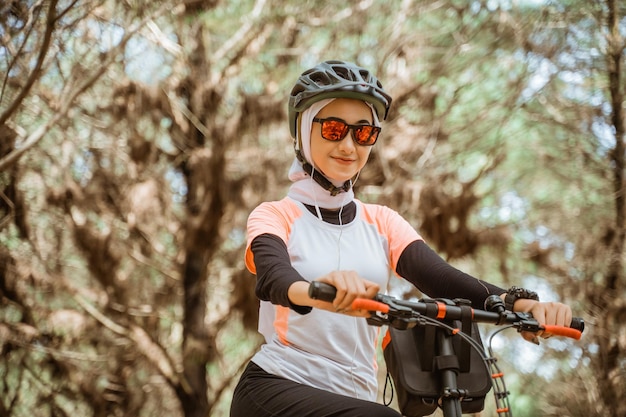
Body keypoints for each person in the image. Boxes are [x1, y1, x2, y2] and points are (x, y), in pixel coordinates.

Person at [229, 60, 573, 417]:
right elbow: (274, 278)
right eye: (333, 129)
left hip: (355, 398)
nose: (349, 145)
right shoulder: (275, 215)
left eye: (363, 133)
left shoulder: (382, 221)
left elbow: (440, 277)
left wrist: (520, 305)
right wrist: (319, 290)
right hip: (276, 386)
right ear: (303, 131)